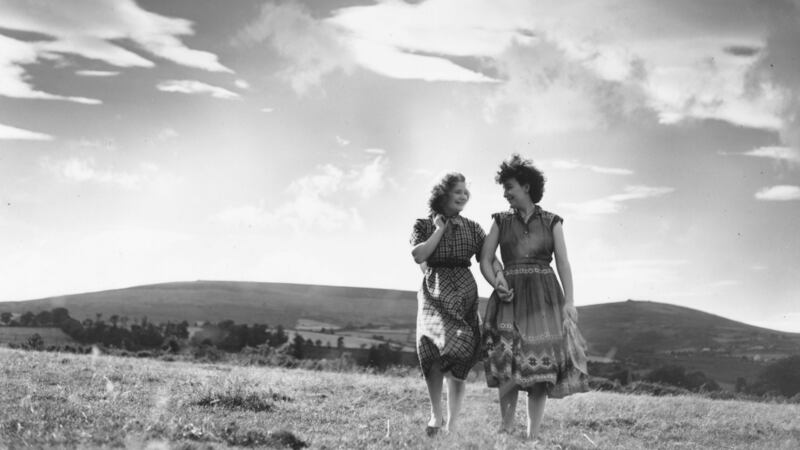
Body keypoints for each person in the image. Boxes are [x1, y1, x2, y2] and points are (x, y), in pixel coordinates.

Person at [480, 154, 588, 440]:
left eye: (510, 187)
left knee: (539, 368)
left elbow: (563, 263)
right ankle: (505, 428)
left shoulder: (553, 221)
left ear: (526, 187)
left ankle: (533, 435)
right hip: (510, 300)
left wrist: (569, 301)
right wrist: (496, 282)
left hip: (544, 298)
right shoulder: (500, 221)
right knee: (509, 367)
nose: (505, 193)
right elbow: (485, 259)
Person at [409, 172, 499, 436]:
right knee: (431, 352)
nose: (463, 196)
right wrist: (440, 229)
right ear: (442, 194)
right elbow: (419, 255)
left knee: (460, 355)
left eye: (465, 192)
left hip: (464, 295)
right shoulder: (423, 224)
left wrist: (501, 279)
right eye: (457, 191)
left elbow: (489, 258)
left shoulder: (472, 227)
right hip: (434, 291)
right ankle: (436, 415)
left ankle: (453, 422)